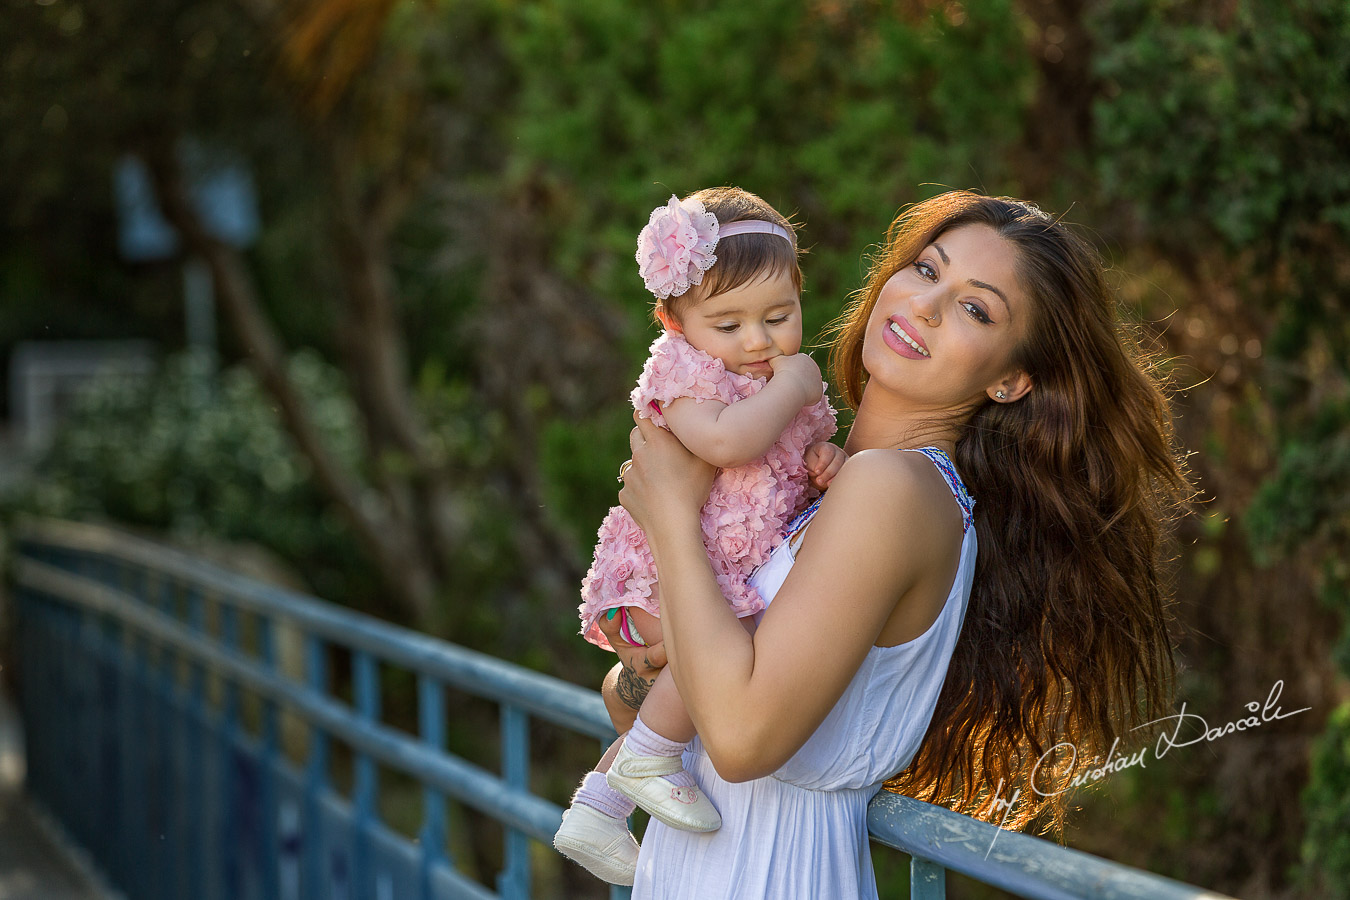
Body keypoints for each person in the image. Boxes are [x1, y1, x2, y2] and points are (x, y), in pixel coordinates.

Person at [601, 191, 1192, 898]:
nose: (926, 305)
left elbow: (739, 740)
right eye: (925, 269)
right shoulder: (820, 485)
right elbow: (641, 707)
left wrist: (669, 515)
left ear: (1010, 379)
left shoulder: (895, 490)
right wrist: (647, 667)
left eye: (977, 309)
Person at [553, 187, 847, 885]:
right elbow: (725, 441)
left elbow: (790, 469)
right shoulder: (685, 374)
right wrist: (795, 388)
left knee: (723, 642)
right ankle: (649, 757)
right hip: (655, 573)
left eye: (780, 316)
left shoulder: (773, 383)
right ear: (675, 321)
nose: (758, 340)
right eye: (728, 324)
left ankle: (598, 805)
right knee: (730, 637)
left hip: (710, 570)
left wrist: (825, 464)